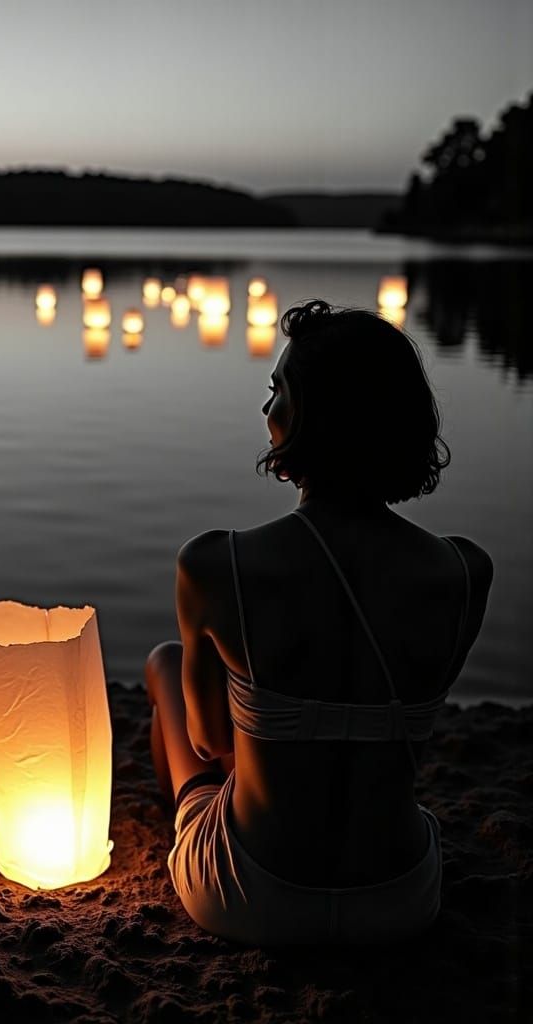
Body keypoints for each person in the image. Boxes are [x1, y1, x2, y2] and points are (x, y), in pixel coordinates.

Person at [146, 300, 492, 945]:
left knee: (167, 663)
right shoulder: (465, 572)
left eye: (278, 392)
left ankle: (188, 823)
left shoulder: (218, 563)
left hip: (253, 895)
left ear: (309, 418)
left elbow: (209, 743)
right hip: (398, 899)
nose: (266, 410)